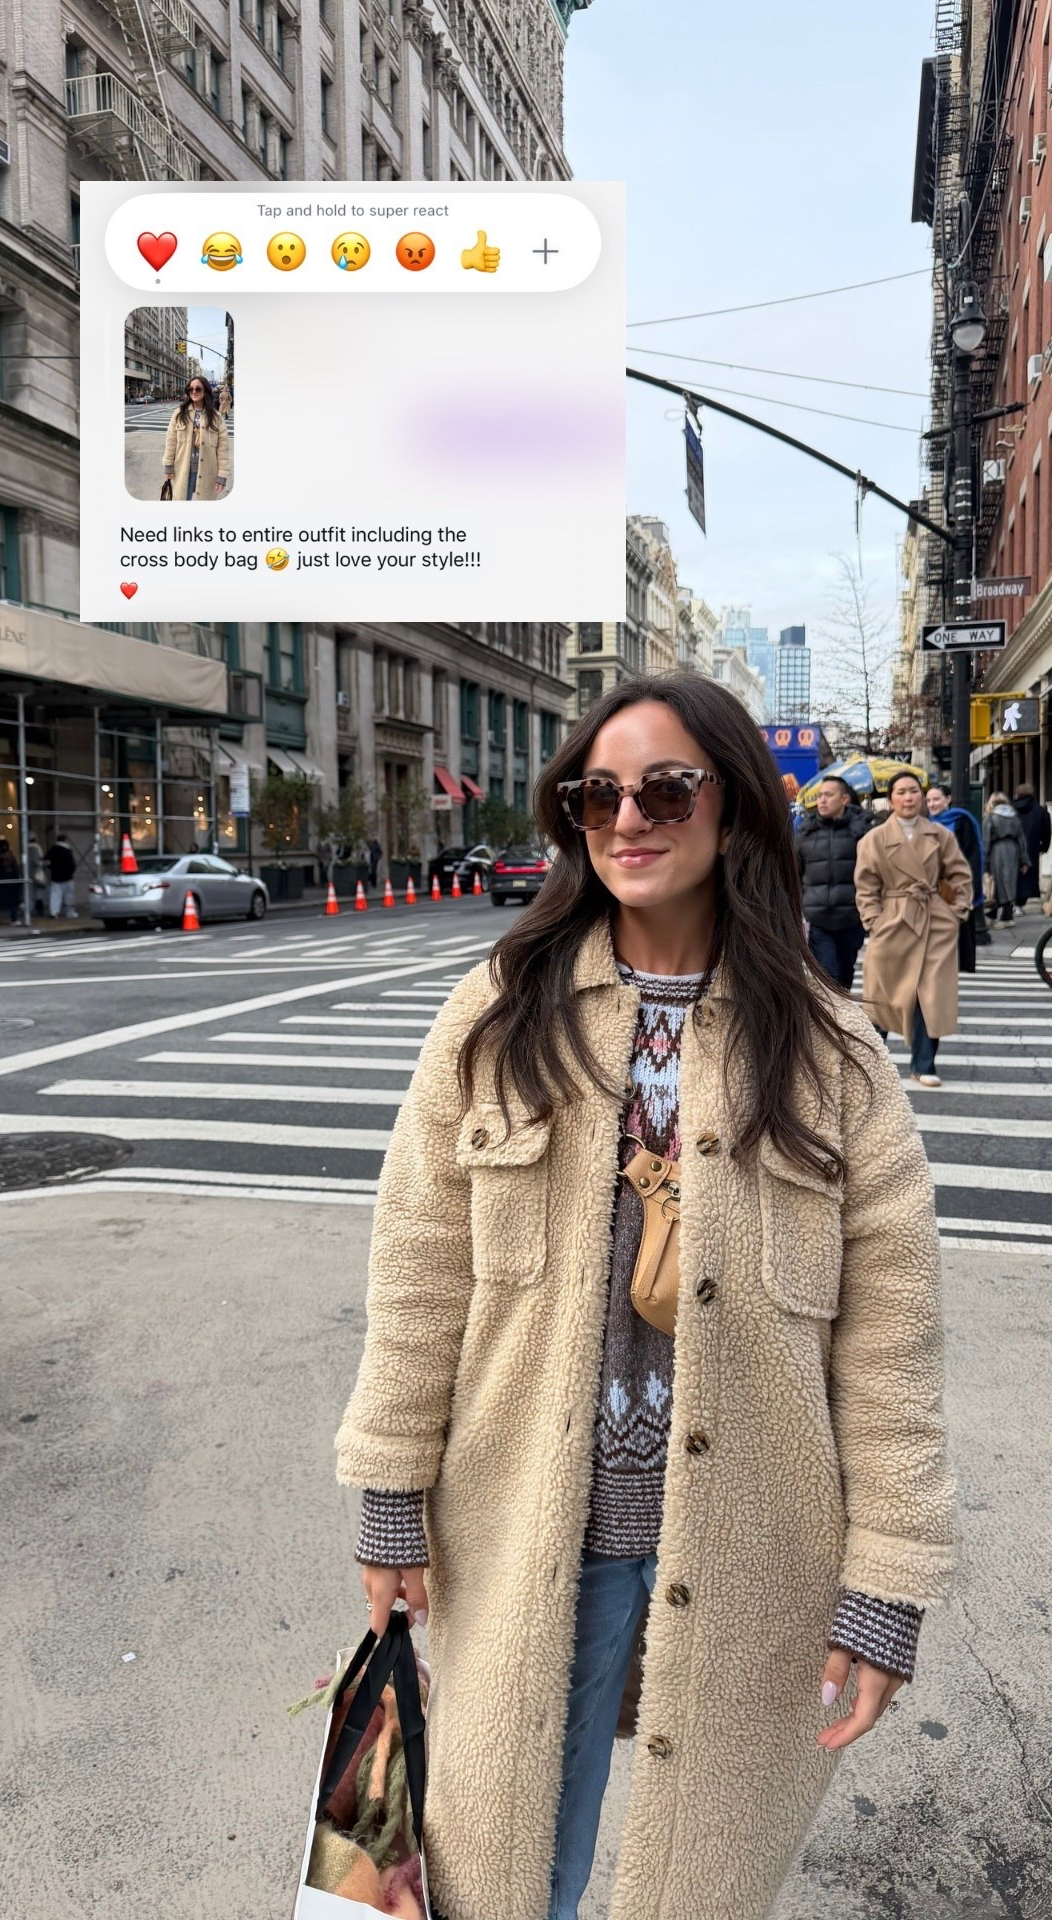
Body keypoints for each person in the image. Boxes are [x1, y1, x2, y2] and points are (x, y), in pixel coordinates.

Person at [336, 673, 954, 1920]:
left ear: (733, 808)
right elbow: (419, 1269)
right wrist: (390, 1497)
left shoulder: (830, 1050)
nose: (628, 818)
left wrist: (888, 1579)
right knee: (501, 1871)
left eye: (667, 789)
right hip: (530, 1522)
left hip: (755, 1542)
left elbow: (891, 1339)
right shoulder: (499, 1014)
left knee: (700, 1880)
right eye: (597, 795)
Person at [854, 770, 972, 1088]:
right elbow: (866, 886)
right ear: (891, 799)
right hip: (893, 919)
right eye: (901, 792)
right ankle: (871, 1063)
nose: (908, 798)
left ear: (922, 797)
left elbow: (960, 875)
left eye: (914, 791)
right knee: (881, 994)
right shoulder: (874, 839)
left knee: (931, 995)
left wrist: (956, 912)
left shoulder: (940, 835)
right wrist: (874, 920)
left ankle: (924, 1064)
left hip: (933, 920)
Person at [795, 775, 871, 989]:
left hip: (851, 917)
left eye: (828, 795)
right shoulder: (806, 832)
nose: (822, 800)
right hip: (817, 918)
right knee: (827, 975)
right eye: (820, 795)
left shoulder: (862, 832)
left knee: (845, 975)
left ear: (844, 799)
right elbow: (794, 873)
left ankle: (841, 1009)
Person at [926, 785, 985, 969]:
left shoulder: (961, 821)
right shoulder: (924, 824)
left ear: (948, 799)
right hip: (932, 889)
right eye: (928, 800)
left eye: (936, 799)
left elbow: (970, 856)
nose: (932, 804)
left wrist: (965, 886)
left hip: (955, 887)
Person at [161, 377, 228, 503]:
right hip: (182, 470)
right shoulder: (179, 413)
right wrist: (168, 465)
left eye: (198, 389)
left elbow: (223, 450)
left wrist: (222, 475)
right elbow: (171, 441)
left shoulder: (216, 418)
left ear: (205, 391)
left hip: (208, 472)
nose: (194, 391)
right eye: (190, 389)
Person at [983, 791, 1029, 923]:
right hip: (1013, 849)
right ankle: (1004, 912)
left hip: (996, 850)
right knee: (1009, 881)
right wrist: (1024, 860)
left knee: (997, 881)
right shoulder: (1014, 817)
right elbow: (1021, 839)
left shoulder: (990, 817)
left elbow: (986, 840)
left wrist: (984, 860)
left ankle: (1000, 913)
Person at [1012, 783, 1050, 909]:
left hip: (1013, 848)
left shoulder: (1011, 810)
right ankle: (1021, 902)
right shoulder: (1040, 811)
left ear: (1017, 794)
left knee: (1014, 875)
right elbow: (1046, 831)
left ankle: (1015, 902)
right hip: (1032, 848)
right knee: (1029, 876)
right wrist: (1044, 847)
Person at [0, 837, 21, 924]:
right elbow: (15, 870)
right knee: (12, 902)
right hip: (10, 882)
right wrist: (17, 881)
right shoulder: (10, 856)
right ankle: (14, 919)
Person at [47, 832, 78, 918]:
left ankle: (54, 912)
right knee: (69, 896)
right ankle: (69, 912)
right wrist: (70, 872)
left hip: (55, 877)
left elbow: (46, 861)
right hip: (68, 877)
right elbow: (72, 865)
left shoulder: (53, 850)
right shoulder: (68, 850)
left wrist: (51, 868)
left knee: (55, 895)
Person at [27, 834, 48, 917]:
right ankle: (37, 910)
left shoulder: (26, 848)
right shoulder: (36, 848)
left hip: (29, 874)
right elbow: (36, 862)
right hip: (37, 873)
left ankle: (30, 910)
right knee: (38, 894)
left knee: (31, 894)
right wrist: (45, 863)